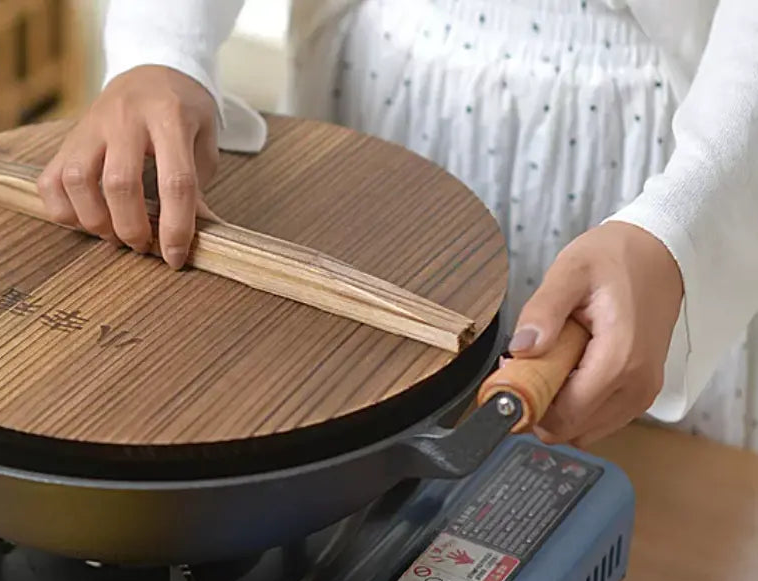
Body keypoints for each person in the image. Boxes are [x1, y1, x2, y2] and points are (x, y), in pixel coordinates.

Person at [37, 0, 758, 450]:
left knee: (645, 500)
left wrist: (680, 222)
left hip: (665, 143)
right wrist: (161, 44)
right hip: (380, 95)